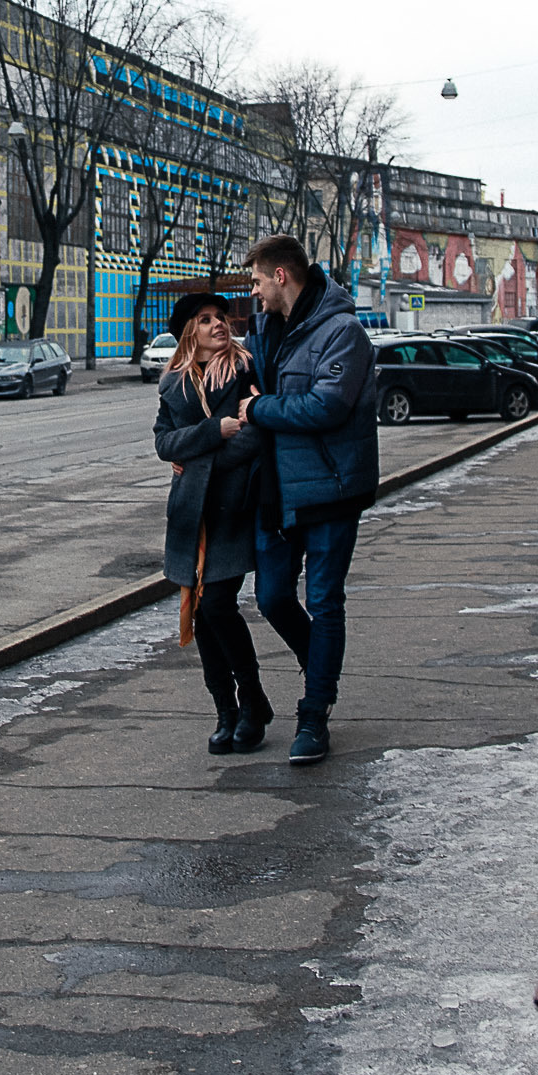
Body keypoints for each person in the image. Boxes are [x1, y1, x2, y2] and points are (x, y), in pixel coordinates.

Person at [243, 234, 380, 765]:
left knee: (324, 601)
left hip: (330, 487)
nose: (253, 292)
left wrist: (262, 409)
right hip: (276, 488)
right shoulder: (265, 330)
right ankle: (320, 662)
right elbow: (240, 388)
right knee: (273, 596)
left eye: (257, 280)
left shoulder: (342, 332)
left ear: (281, 276)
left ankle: (314, 712)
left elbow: (325, 407)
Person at [153, 291, 273, 754]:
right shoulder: (173, 385)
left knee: (219, 603)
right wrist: (211, 433)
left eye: (220, 317)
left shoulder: (246, 371)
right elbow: (165, 444)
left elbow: (255, 436)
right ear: (190, 333)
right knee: (202, 615)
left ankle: (254, 700)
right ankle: (227, 711)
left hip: (231, 508)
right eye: (206, 320)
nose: (217, 324)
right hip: (190, 515)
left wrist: (199, 457)